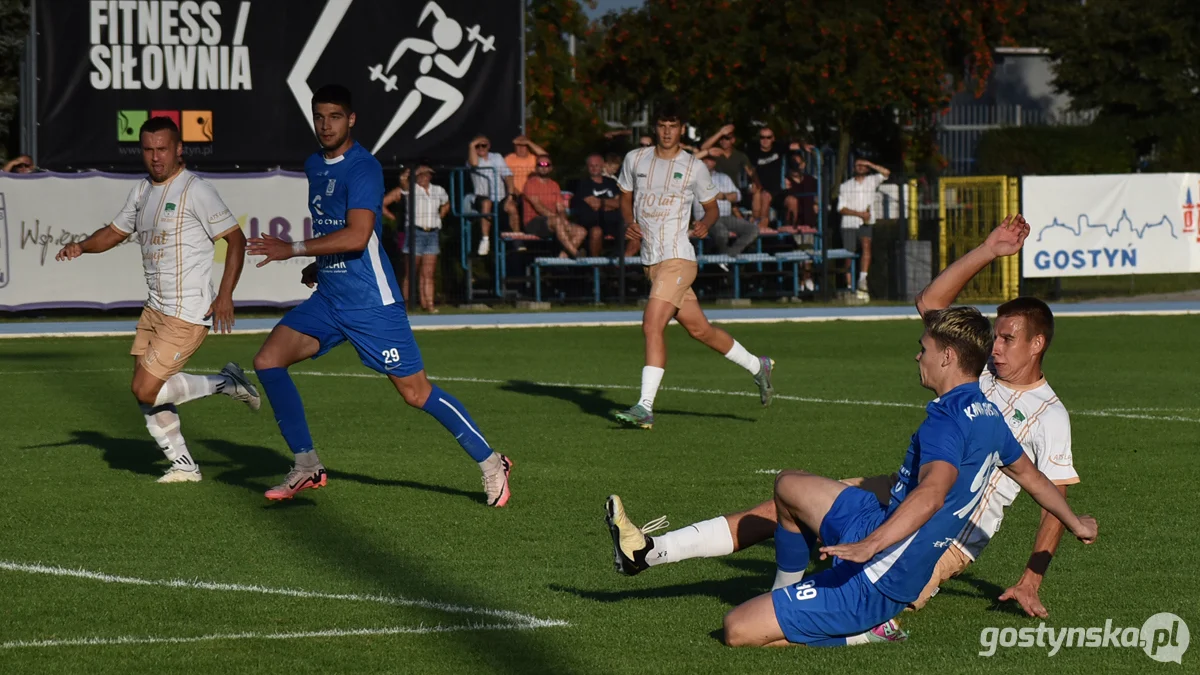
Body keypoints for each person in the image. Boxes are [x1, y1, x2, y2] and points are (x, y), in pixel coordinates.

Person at [606, 216, 1088, 628]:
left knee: (869, 594)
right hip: (907, 489)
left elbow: (1052, 501)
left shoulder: (1050, 415)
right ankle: (649, 550)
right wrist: (987, 249)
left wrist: (1030, 579)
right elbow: (930, 304)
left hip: (950, 533)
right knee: (785, 502)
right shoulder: (972, 364)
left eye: (1007, 339)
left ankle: (853, 621)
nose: (997, 346)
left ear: (1037, 345)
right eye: (996, 337)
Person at [246, 85, 513, 505]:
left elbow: (357, 236)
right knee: (268, 361)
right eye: (319, 116)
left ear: (351, 120)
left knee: (416, 393)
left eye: (335, 116)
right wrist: (321, 264)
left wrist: (293, 249)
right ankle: (307, 465)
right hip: (331, 299)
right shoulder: (315, 163)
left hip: (372, 303)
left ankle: (491, 461)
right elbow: (334, 228)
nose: (325, 124)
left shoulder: (363, 167)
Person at [54, 116, 259, 483]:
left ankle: (226, 383)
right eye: (148, 150)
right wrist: (81, 246)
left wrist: (226, 293)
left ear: (179, 149)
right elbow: (115, 232)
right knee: (145, 392)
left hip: (187, 310)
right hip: (155, 308)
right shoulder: (142, 190)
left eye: (162, 149)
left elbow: (236, 240)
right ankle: (184, 465)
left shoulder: (196, 190)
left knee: (145, 388)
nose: (155, 157)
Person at [613, 104, 775, 430]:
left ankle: (645, 407)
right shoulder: (635, 159)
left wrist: (705, 224)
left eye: (673, 125)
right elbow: (625, 197)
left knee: (651, 324)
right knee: (700, 330)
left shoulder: (693, 167)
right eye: (662, 125)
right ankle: (758, 366)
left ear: (682, 129)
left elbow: (712, 208)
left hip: (679, 258)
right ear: (655, 127)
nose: (667, 131)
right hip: (652, 261)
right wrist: (628, 221)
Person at [396, 165, 450, 313]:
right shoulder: (411, 190)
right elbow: (403, 182)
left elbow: (446, 203)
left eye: (427, 175)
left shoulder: (438, 190)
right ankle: (405, 304)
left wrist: (440, 216)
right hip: (415, 232)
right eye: (421, 175)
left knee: (428, 273)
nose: (425, 177)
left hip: (432, 232)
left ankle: (429, 304)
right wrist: (406, 174)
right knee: (410, 271)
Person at [837, 159, 890, 299]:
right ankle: (849, 286)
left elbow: (886, 173)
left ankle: (862, 279)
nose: (860, 168)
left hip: (865, 223)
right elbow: (841, 208)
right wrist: (859, 214)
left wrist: (870, 163)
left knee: (866, 246)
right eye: (857, 165)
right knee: (848, 254)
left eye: (863, 166)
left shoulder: (872, 181)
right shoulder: (845, 186)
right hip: (849, 223)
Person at [522, 154, 587, 258]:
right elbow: (538, 207)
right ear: (536, 167)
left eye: (546, 164)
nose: (543, 167)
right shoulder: (530, 184)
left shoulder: (554, 185)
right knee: (557, 221)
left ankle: (562, 257)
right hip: (533, 222)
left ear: (551, 168)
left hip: (554, 223)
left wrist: (563, 218)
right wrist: (558, 219)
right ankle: (576, 254)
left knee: (581, 231)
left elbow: (560, 207)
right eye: (540, 164)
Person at [466, 134, 518, 256]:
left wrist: (510, 195)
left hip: (499, 197)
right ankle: (485, 239)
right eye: (477, 146)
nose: (481, 148)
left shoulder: (497, 157)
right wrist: (471, 145)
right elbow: (473, 163)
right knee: (486, 203)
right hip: (481, 197)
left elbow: (508, 175)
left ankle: (517, 239)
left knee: (511, 207)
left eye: (483, 145)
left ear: (489, 146)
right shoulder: (471, 159)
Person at [570, 154, 623, 257]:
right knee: (596, 232)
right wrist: (612, 203)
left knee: (634, 233)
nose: (594, 168)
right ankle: (596, 266)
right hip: (594, 221)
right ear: (587, 167)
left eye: (597, 165)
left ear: (602, 166)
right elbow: (594, 205)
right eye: (591, 166)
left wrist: (602, 202)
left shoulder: (611, 183)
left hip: (615, 221)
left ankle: (622, 263)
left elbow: (620, 203)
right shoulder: (583, 185)